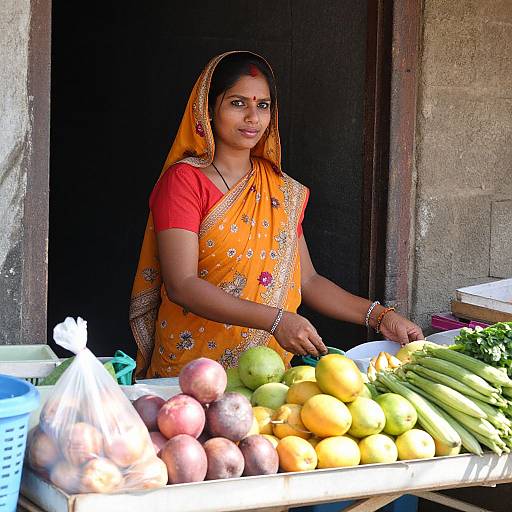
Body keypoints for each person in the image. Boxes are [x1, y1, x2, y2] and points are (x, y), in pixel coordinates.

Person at [130, 51, 423, 378]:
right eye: (238, 103)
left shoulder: (280, 190)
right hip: (193, 372)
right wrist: (276, 320)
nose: (253, 117)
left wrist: (381, 317)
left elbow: (308, 281)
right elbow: (182, 284)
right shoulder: (184, 182)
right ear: (208, 110)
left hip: (269, 374)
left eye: (263, 105)